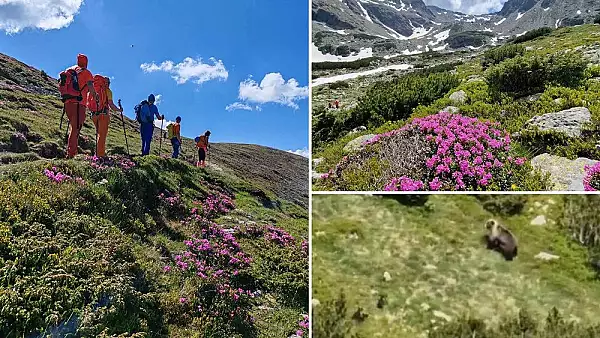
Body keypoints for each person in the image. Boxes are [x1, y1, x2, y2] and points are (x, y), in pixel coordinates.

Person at [60, 54, 99, 158]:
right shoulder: (86, 72)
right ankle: (71, 154)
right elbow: (90, 86)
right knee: (76, 128)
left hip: (68, 102)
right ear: (86, 62)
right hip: (79, 103)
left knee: (74, 128)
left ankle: (71, 151)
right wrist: (95, 96)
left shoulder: (69, 70)